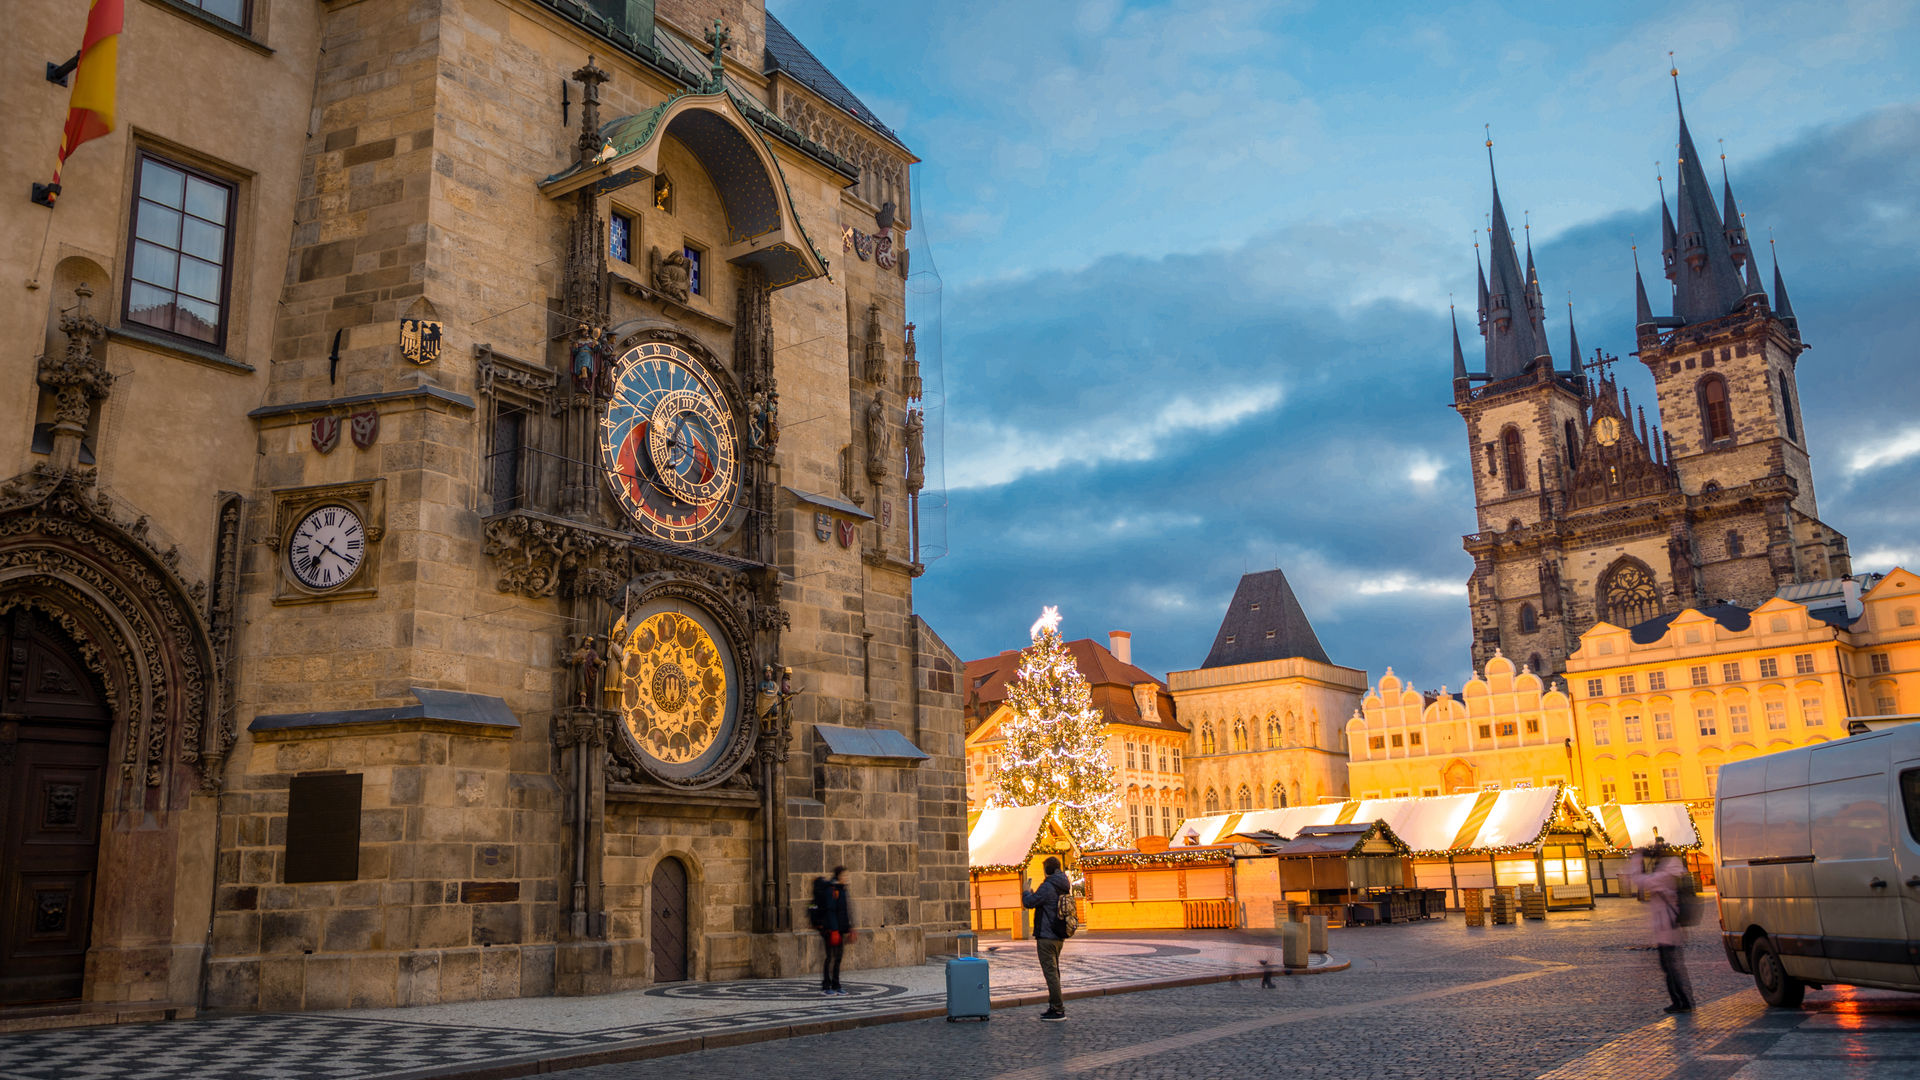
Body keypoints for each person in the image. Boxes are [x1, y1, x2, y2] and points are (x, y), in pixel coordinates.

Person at [1625, 842, 1695, 1014]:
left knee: (1670, 967)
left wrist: (1637, 858)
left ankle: (1682, 1002)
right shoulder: (1672, 873)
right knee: (1674, 966)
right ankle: (1684, 1000)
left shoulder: (1663, 877)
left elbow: (1640, 880)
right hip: (1671, 927)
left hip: (1666, 929)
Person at [1020, 856, 1074, 1022]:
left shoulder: (1048, 886)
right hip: (1059, 934)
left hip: (1046, 935)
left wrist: (1026, 890)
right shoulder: (1064, 884)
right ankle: (1054, 1006)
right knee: (1054, 971)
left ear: (1048, 869)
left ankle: (1058, 1009)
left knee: (1050, 973)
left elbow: (1029, 902)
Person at [811, 866, 853, 996]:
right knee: (830, 957)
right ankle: (826, 986)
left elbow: (844, 912)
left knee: (838, 958)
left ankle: (836, 985)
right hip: (830, 929)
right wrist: (834, 930)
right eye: (844, 875)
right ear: (838, 876)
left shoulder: (842, 890)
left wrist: (849, 928)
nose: (846, 878)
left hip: (839, 929)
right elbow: (831, 911)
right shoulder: (831, 890)